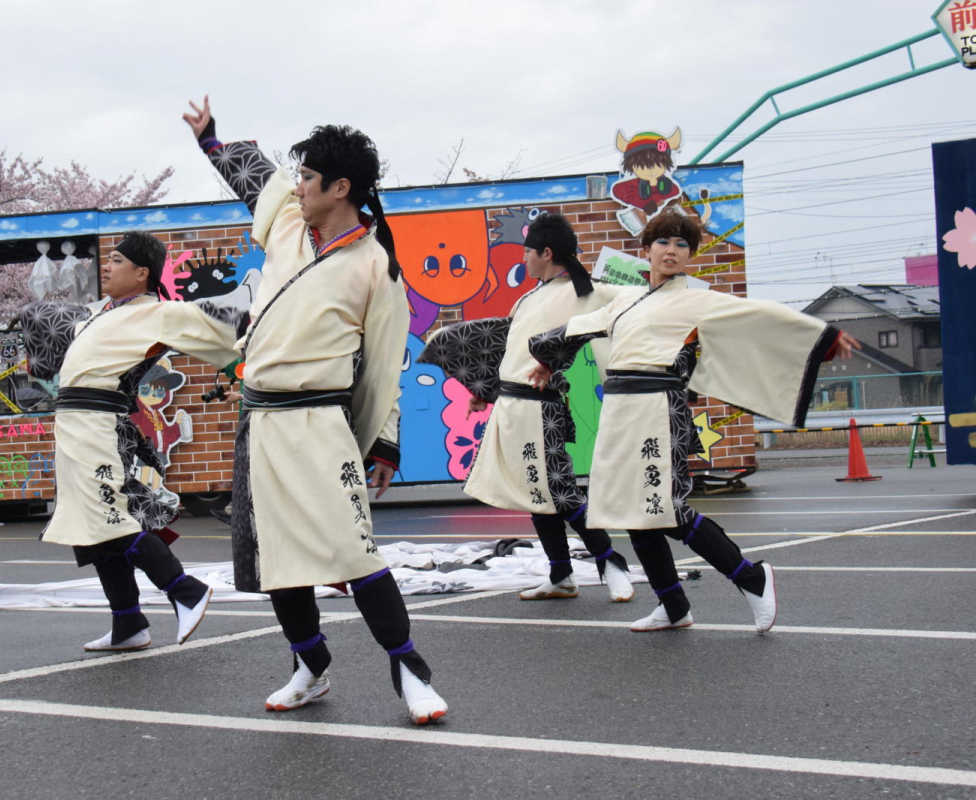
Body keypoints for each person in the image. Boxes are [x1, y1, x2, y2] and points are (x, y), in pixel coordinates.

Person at [182, 95, 448, 724]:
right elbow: (257, 174)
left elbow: (385, 365)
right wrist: (211, 141)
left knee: (354, 553)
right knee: (276, 560)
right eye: (298, 176)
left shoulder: (375, 265)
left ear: (341, 187)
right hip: (261, 419)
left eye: (307, 177)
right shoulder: (284, 224)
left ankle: (410, 670)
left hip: (321, 420)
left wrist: (382, 442)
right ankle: (310, 664)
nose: (296, 186)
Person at [527, 209, 858, 633]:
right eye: (663, 242)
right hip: (622, 411)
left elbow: (759, 316)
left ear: (689, 257)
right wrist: (547, 363)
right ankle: (673, 605)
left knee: (668, 509)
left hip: (657, 409)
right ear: (645, 250)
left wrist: (822, 337)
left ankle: (751, 578)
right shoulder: (627, 299)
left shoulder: (697, 299)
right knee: (634, 510)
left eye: (682, 245)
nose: (672, 251)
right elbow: (580, 327)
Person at [20, 231, 242, 653]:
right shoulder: (104, 312)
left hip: (98, 422)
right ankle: (128, 622)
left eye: (117, 260)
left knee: (108, 518)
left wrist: (245, 369)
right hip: (75, 422)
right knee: (89, 526)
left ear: (142, 273)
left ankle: (185, 589)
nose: (106, 266)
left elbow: (223, 334)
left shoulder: (159, 312)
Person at [419, 212, 635, 603]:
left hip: (542, 407)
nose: (524, 259)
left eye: (528, 252)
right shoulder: (528, 297)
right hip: (513, 406)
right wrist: (483, 391)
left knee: (561, 493)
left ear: (546, 252)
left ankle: (612, 563)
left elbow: (632, 305)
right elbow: (511, 351)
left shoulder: (586, 293)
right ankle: (560, 575)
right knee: (531, 492)